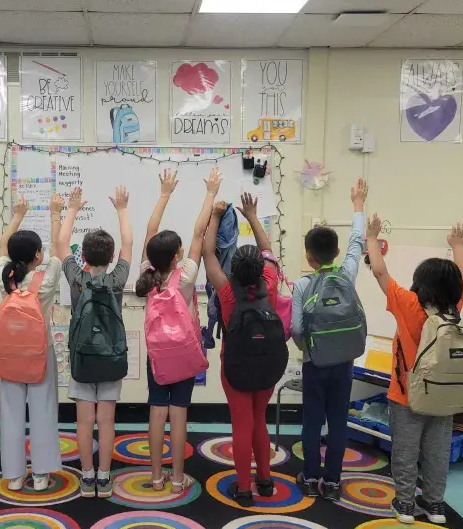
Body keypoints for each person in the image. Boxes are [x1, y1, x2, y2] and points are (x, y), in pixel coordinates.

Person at [367, 215, 463, 525]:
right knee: (438, 452)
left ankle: (405, 505)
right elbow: (462, 275)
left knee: (406, 451)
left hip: (407, 395)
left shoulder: (409, 305)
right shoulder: (454, 309)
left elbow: (379, 271)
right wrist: (458, 245)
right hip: (444, 396)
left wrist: (372, 236)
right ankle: (435, 505)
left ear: (420, 283)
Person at [135, 167, 221, 494]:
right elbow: (200, 234)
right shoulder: (184, 276)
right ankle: (176, 479)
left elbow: (150, 229)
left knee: (157, 411)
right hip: (185, 352)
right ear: (177, 255)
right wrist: (210, 193)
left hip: (157, 356)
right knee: (179, 413)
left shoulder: (148, 274)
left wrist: (164, 195)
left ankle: (156, 477)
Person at [291, 178, 368, 501]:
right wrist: (358, 206)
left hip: (315, 362)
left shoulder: (303, 285)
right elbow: (357, 243)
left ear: (309, 257)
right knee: (338, 421)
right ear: (335, 253)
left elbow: (296, 328)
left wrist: (306, 348)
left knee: (312, 421)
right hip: (344, 361)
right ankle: (333, 482)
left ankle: (310, 477)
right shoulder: (346, 273)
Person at [203, 195, 283, 507]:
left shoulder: (225, 288)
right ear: (261, 268)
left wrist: (215, 215)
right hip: (268, 365)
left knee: (241, 422)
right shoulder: (272, 281)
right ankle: (265, 480)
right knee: (259, 418)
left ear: (233, 268)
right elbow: (268, 250)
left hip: (234, 366)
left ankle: (244, 488)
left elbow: (209, 252)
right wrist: (251, 216)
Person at [59, 185, 132, 498]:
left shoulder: (77, 278)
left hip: (82, 360)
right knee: (107, 420)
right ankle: (105, 477)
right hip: (111, 359)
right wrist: (122, 208)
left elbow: (61, 242)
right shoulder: (117, 280)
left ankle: (86, 478)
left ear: (83, 256)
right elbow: (128, 242)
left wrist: (73, 207)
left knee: (84, 422)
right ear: (112, 256)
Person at [0, 193, 71, 492]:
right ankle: (41, 474)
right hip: (41, 353)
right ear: (38, 256)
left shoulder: (5, 276)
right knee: (43, 411)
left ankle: (13, 475)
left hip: (9, 355)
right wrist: (56, 213)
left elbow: (3, 246)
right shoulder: (47, 276)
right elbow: (58, 249)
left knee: (11, 412)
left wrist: (17, 215)